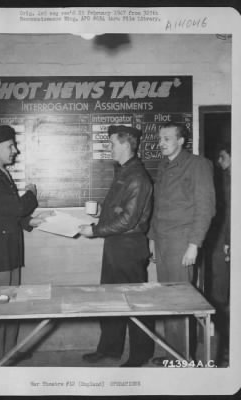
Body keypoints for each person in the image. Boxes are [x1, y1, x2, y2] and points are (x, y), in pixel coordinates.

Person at [79, 125, 155, 367]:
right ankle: (110, 349)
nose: (109, 148)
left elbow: (128, 220)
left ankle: (140, 354)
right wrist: (100, 218)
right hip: (116, 245)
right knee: (109, 300)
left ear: (125, 144)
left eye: (112, 143)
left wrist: (96, 230)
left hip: (129, 248)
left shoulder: (137, 176)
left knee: (133, 303)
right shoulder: (124, 171)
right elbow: (119, 212)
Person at [0, 125, 45, 365]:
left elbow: (4, 213)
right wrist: (32, 194)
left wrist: (29, 221)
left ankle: (8, 355)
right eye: (10, 146)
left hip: (8, 252)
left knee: (11, 308)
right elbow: (15, 208)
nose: (15, 150)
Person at [148, 122, 216, 365]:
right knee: (168, 300)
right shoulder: (164, 166)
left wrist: (194, 244)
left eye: (167, 138)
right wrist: (153, 240)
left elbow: (206, 208)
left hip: (182, 241)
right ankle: (173, 354)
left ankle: (181, 358)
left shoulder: (197, 165)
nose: (161, 143)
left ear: (181, 141)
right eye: (160, 138)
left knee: (179, 299)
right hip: (164, 241)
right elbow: (159, 207)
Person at [207, 143, 231, 366]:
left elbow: (229, 215)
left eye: (222, 157)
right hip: (223, 244)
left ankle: (226, 351)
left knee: (222, 297)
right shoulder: (226, 178)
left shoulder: (231, 181)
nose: (219, 162)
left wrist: (227, 244)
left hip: (225, 246)